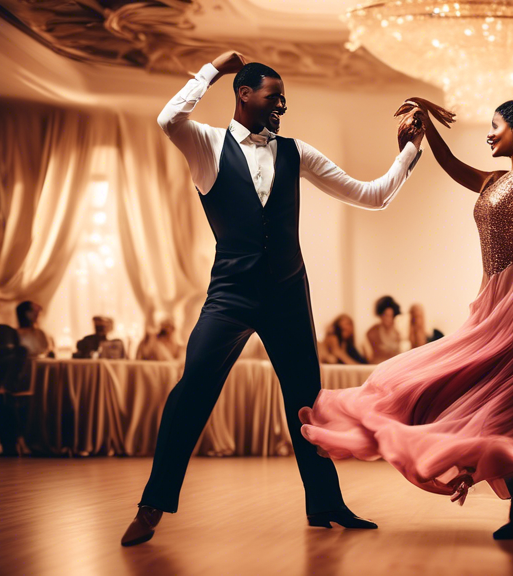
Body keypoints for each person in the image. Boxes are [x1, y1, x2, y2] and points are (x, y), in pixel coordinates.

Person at [299, 97, 513, 541]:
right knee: (502, 404)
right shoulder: (493, 180)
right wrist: (425, 122)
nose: (488, 133)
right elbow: (449, 164)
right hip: (493, 300)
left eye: (495, 125)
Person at [121, 50, 425, 547]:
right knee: (193, 387)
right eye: (273, 95)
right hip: (230, 294)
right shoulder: (205, 144)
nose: (281, 104)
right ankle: (152, 504)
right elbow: (168, 117)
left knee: (307, 402)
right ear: (243, 94)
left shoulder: (296, 152)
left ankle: (325, 502)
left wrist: (407, 153)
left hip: (287, 292)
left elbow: (371, 195)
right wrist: (213, 68)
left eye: (284, 98)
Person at [365, 295, 403, 363]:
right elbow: (369, 356)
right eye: (386, 315)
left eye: (391, 316)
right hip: (377, 366)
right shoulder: (372, 333)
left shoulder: (397, 332)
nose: (388, 319)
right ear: (380, 315)